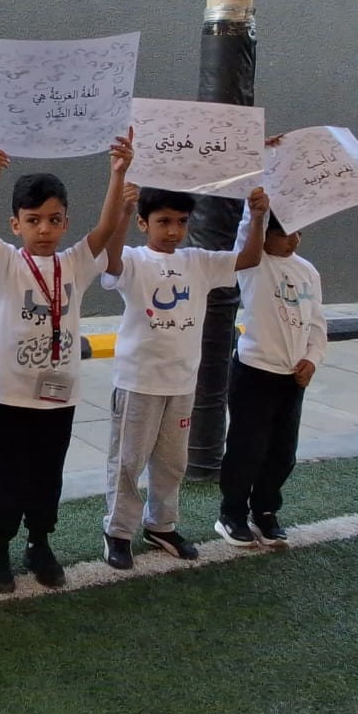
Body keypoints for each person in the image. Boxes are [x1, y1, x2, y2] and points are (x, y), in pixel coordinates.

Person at [0, 129, 133, 593]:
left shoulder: (74, 263)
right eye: (33, 220)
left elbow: (104, 231)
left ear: (65, 223)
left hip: (60, 396)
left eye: (54, 220)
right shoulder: (7, 263)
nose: (44, 229)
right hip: (12, 395)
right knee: (8, 473)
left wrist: (117, 173)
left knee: (48, 474)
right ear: (16, 224)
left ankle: (39, 541)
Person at [98, 184, 267, 569]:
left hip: (182, 383)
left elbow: (249, 257)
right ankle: (118, 531)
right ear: (144, 223)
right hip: (138, 382)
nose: (173, 230)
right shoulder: (134, 259)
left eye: (181, 222)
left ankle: (161, 525)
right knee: (128, 461)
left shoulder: (198, 261)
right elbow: (110, 262)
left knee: (173, 462)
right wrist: (122, 211)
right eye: (163, 222)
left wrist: (257, 216)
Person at [216, 138, 327, 549]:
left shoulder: (307, 271)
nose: (294, 239)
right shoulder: (255, 265)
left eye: (298, 230)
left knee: (282, 452)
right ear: (267, 235)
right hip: (254, 374)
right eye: (285, 233)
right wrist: (263, 166)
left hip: (290, 380)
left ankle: (265, 510)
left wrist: (311, 359)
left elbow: (317, 323)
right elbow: (250, 226)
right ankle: (232, 514)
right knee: (247, 447)